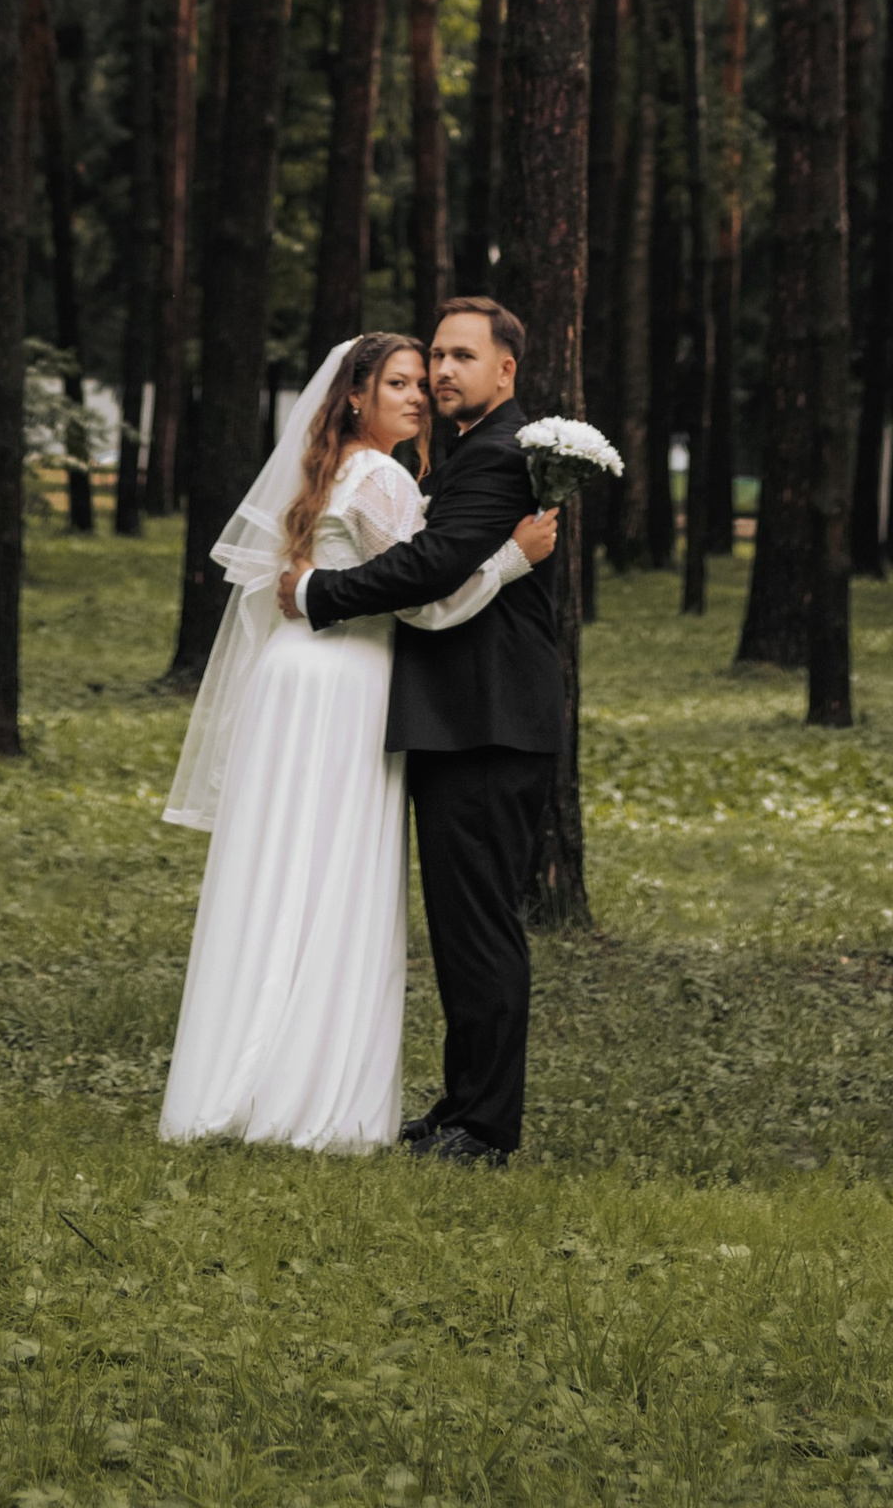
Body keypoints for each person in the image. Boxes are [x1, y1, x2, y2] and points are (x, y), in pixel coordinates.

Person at [159, 330, 557, 1156]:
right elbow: (425, 600)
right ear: (355, 396)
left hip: (300, 680)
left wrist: (311, 588)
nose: (421, 393)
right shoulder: (381, 474)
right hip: (342, 685)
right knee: (330, 880)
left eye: (431, 378)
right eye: (403, 382)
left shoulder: (335, 465)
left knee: (283, 877)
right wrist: (513, 559)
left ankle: (259, 1074)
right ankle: (314, 1093)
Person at [279, 296, 565, 1169]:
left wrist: (319, 594)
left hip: (487, 721)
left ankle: (482, 1131)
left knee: (479, 930)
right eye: (434, 356)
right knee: (461, 927)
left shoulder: (498, 458)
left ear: (504, 370)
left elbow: (432, 567)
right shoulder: (468, 453)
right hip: (459, 719)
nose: (441, 372)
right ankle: (458, 1107)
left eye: (460, 357)